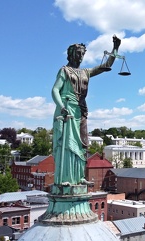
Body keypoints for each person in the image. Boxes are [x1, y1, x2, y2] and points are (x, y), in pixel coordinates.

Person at [52, 36, 121, 185]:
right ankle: (65, 178)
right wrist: (61, 107)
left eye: (83, 54)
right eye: (78, 53)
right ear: (71, 54)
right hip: (68, 109)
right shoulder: (65, 71)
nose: (81, 56)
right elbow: (55, 90)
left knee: (82, 144)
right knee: (67, 143)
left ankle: (79, 177)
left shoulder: (85, 72)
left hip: (81, 111)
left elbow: (106, 65)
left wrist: (115, 49)